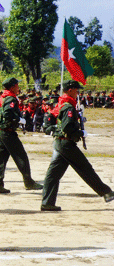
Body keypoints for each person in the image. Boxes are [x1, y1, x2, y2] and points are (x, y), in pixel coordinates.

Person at [41, 80, 114, 211]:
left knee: (53, 175)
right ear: (70, 90)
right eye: (76, 89)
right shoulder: (68, 106)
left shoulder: (63, 103)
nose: (78, 92)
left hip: (60, 142)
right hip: (66, 143)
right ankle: (107, 192)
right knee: (85, 169)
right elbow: (67, 127)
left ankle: (47, 203)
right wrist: (81, 132)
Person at [0, 77, 43, 193]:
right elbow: (7, 113)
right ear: (12, 87)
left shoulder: (4, 96)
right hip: (7, 131)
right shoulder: (11, 98)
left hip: (1, 130)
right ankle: (28, 182)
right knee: (21, 157)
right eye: (16, 85)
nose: (18, 87)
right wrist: (19, 119)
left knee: (2, 159)